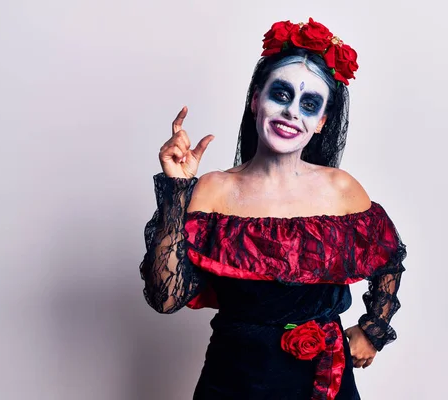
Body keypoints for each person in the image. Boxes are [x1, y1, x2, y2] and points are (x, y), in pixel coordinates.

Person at [139, 18, 408, 400]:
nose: (292, 112)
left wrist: (372, 330)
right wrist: (177, 188)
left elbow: (388, 260)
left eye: (309, 103)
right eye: (280, 94)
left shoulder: (340, 188)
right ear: (255, 100)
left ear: (322, 123)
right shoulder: (214, 189)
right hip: (234, 382)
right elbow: (165, 298)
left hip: (324, 381)